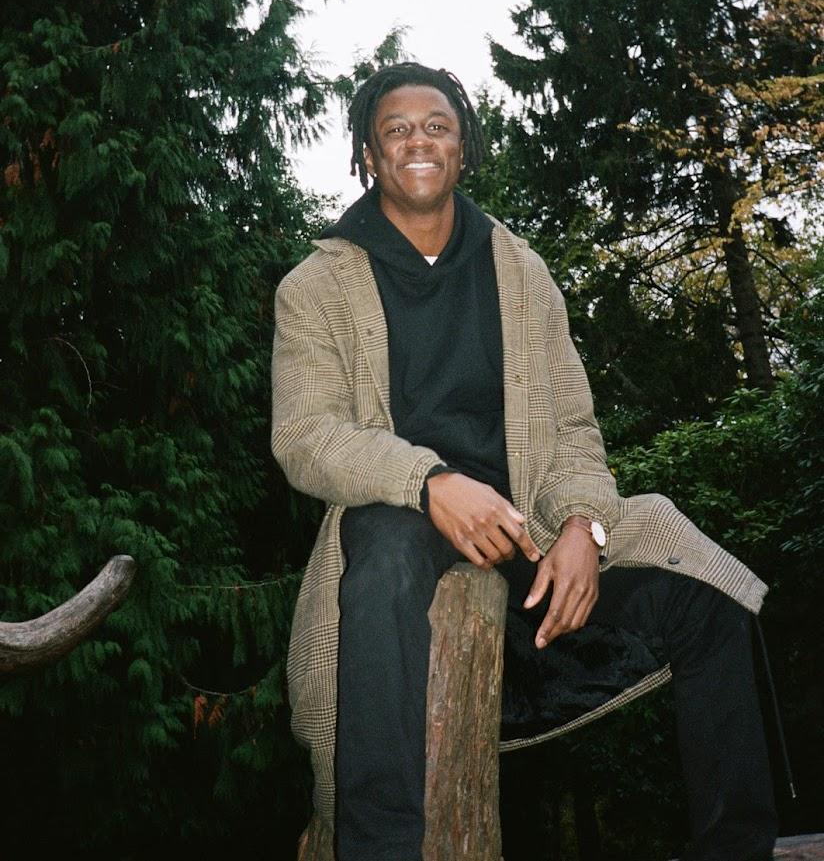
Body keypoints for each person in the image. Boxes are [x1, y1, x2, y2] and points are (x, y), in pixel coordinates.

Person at [270, 62, 778, 861]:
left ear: (463, 146)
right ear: (368, 154)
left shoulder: (521, 271)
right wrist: (428, 482)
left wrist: (585, 525)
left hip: (531, 533)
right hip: (403, 523)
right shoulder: (316, 284)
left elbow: (574, 426)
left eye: (436, 124)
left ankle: (740, 847)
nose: (418, 141)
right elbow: (305, 434)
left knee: (712, 600)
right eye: (395, 128)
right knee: (384, 549)